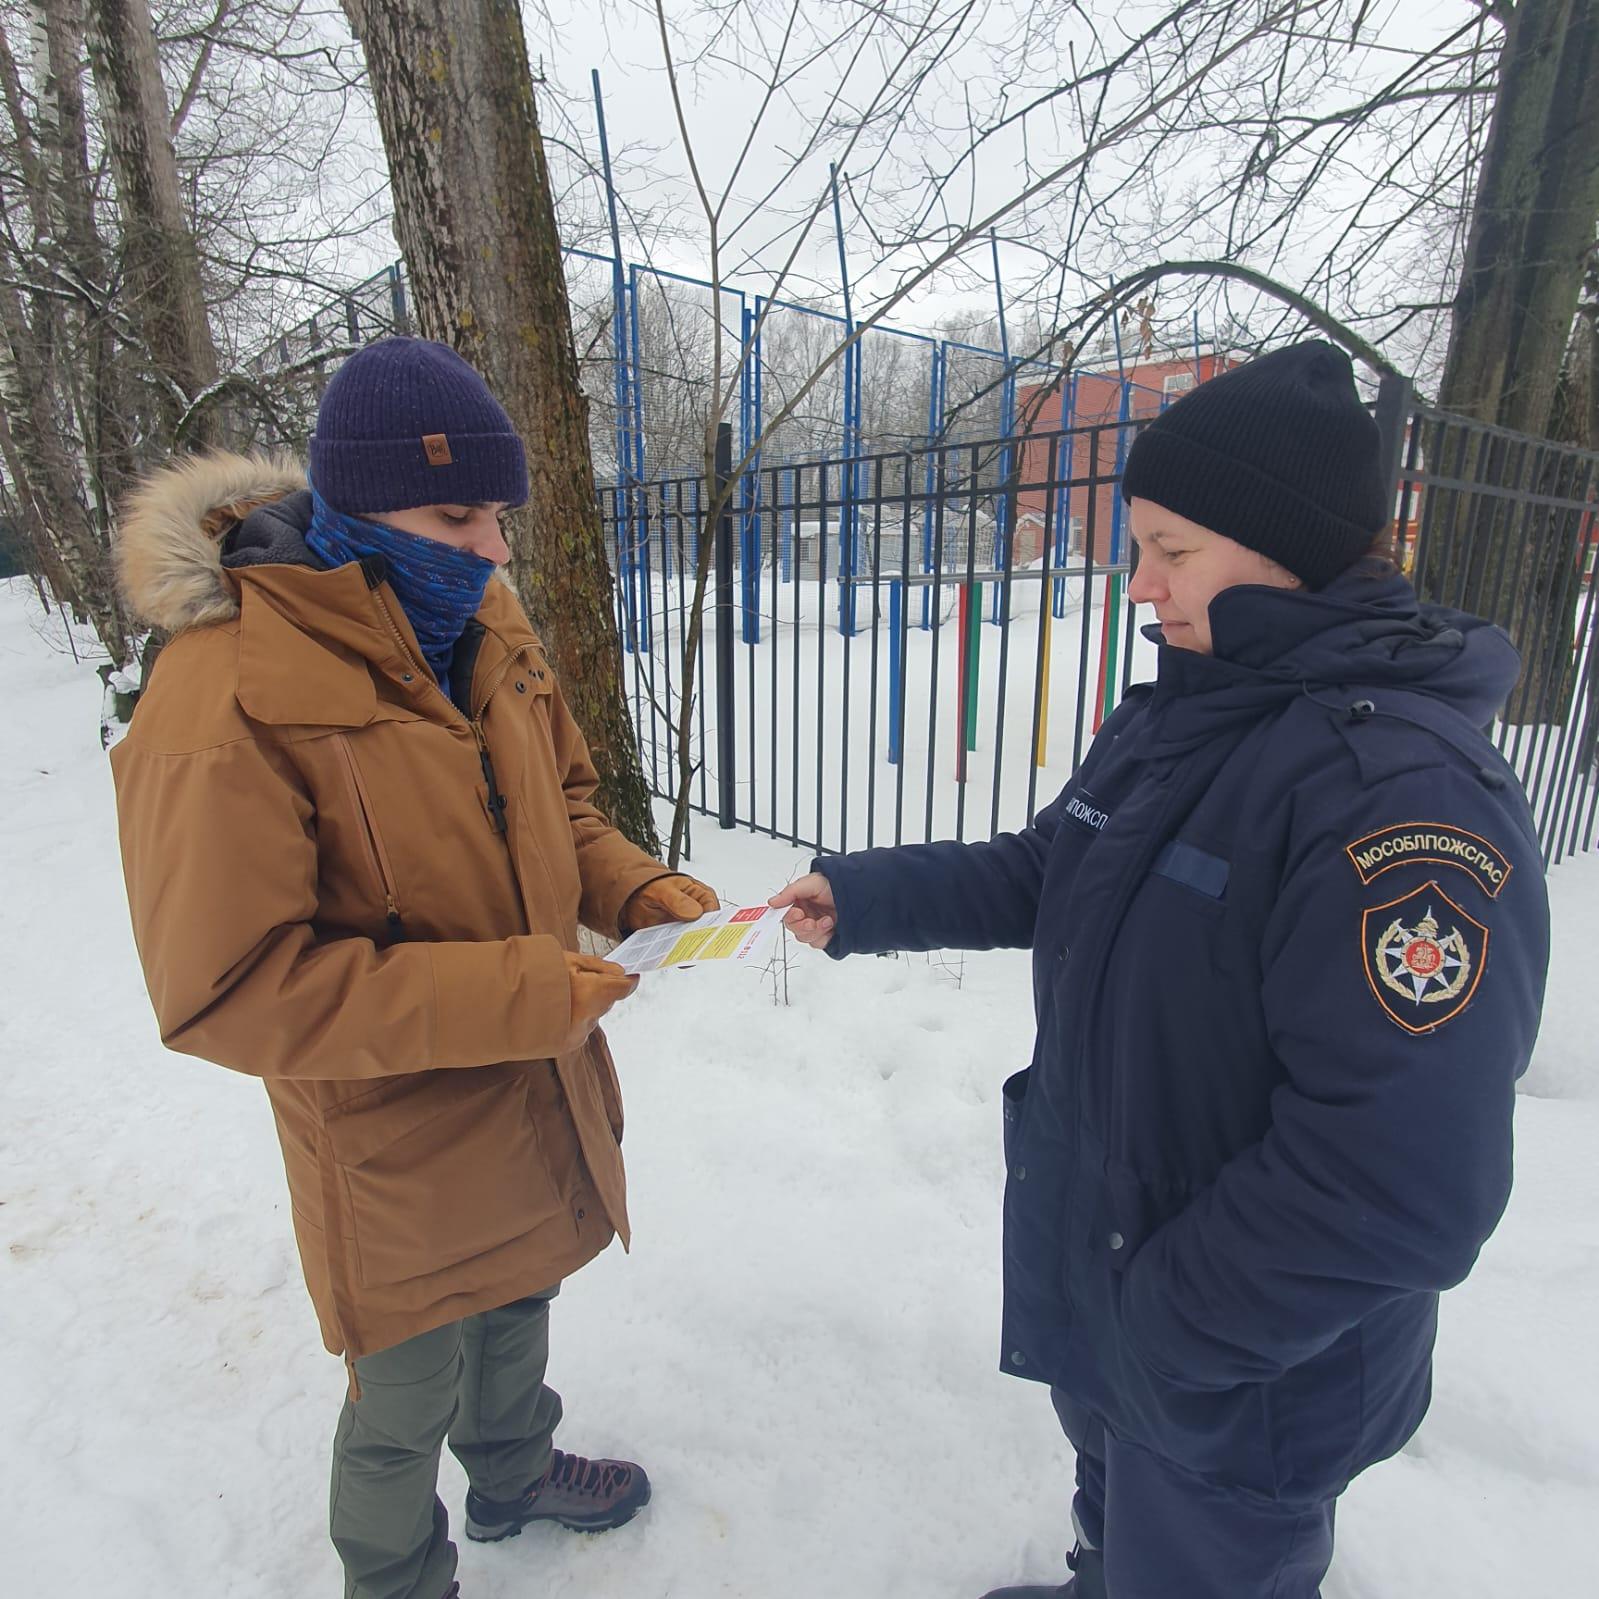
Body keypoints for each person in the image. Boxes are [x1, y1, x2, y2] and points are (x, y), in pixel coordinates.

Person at [771, 342, 1550, 1599]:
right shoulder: (1190, 711)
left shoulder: (1397, 798)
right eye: (1139, 547)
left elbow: (1403, 1182)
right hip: (1126, 1276)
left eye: (1172, 551)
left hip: (1242, 1360)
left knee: (1199, 1554)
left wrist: (1169, 1325)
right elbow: (1053, 868)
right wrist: (867, 895)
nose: (1143, 586)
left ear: (1284, 543)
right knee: (1124, 1503)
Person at [110, 336, 717, 1599]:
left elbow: (562, 802)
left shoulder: (481, 619)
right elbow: (228, 990)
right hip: (392, 1141)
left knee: (521, 1306)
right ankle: (396, 1576)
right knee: (403, 1396)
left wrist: (633, 885)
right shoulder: (219, 697)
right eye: (458, 514)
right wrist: (521, 990)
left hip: (532, 1087)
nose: (494, 547)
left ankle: (514, 1472)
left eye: (497, 513)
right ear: (354, 508)